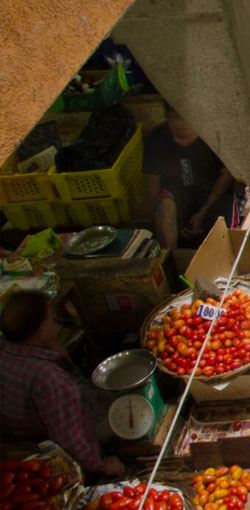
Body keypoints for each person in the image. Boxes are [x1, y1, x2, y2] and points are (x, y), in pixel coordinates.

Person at [1, 291, 126, 478]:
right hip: (57, 460)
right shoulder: (50, 380)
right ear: (41, 331)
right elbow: (69, 440)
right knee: (121, 414)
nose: (56, 322)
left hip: (23, 441)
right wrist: (100, 464)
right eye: (51, 318)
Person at [145, 109, 234, 251]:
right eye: (178, 118)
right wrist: (176, 224)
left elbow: (226, 174)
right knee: (166, 208)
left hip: (212, 194)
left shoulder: (212, 133)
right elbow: (152, 186)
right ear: (168, 117)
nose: (185, 124)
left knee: (222, 227)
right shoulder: (157, 139)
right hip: (179, 194)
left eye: (189, 118)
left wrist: (202, 212)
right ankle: (170, 261)